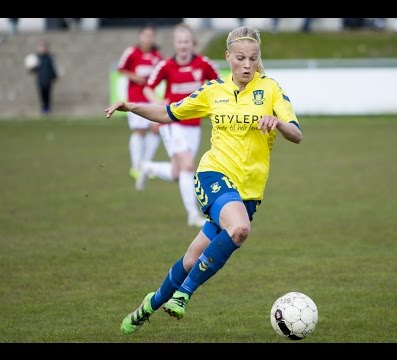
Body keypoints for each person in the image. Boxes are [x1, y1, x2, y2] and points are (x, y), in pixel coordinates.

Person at [105, 25, 302, 335]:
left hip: (249, 190)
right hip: (214, 174)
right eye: (240, 58)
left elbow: (296, 133)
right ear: (229, 58)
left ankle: (149, 305)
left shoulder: (272, 90)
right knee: (239, 229)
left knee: (192, 258)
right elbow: (169, 112)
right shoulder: (213, 90)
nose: (247, 65)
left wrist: (277, 122)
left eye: (252, 58)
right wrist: (131, 106)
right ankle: (184, 294)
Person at [138, 23, 219, 227]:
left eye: (186, 41)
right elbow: (148, 88)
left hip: (194, 125)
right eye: (179, 41)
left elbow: (219, 86)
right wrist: (159, 104)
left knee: (177, 173)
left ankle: (147, 167)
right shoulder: (166, 65)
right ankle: (192, 215)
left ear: (193, 43)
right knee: (188, 167)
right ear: (175, 44)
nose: (183, 45)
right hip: (172, 122)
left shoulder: (203, 63)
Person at [117, 25, 163, 180]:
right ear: (140, 36)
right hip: (135, 98)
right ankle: (136, 166)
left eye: (151, 35)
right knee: (140, 130)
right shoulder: (131, 52)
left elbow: (163, 72)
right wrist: (135, 77)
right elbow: (121, 69)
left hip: (150, 98)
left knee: (156, 128)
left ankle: (146, 164)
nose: (148, 39)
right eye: (145, 35)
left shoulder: (157, 55)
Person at [31, 40, 58, 115]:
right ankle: (44, 108)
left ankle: (47, 109)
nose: (42, 49)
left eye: (43, 47)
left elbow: (52, 68)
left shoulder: (49, 57)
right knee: (42, 94)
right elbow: (33, 69)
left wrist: (54, 77)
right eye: (40, 47)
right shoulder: (36, 58)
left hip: (48, 79)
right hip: (40, 80)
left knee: (48, 95)